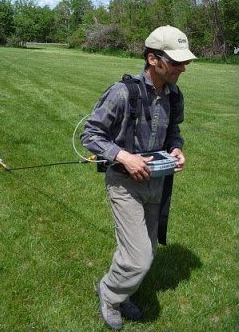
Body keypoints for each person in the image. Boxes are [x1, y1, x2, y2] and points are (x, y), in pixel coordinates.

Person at [80, 25, 197, 330]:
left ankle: (123, 291)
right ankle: (109, 293)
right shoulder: (122, 93)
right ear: (152, 59)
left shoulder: (174, 95)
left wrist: (176, 148)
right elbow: (90, 134)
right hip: (125, 184)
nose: (182, 68)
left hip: (157, 183)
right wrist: (123, 156)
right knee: (139, 258)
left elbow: (174, 131)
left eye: (184, 62)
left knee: (146, 248)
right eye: (175, 62)